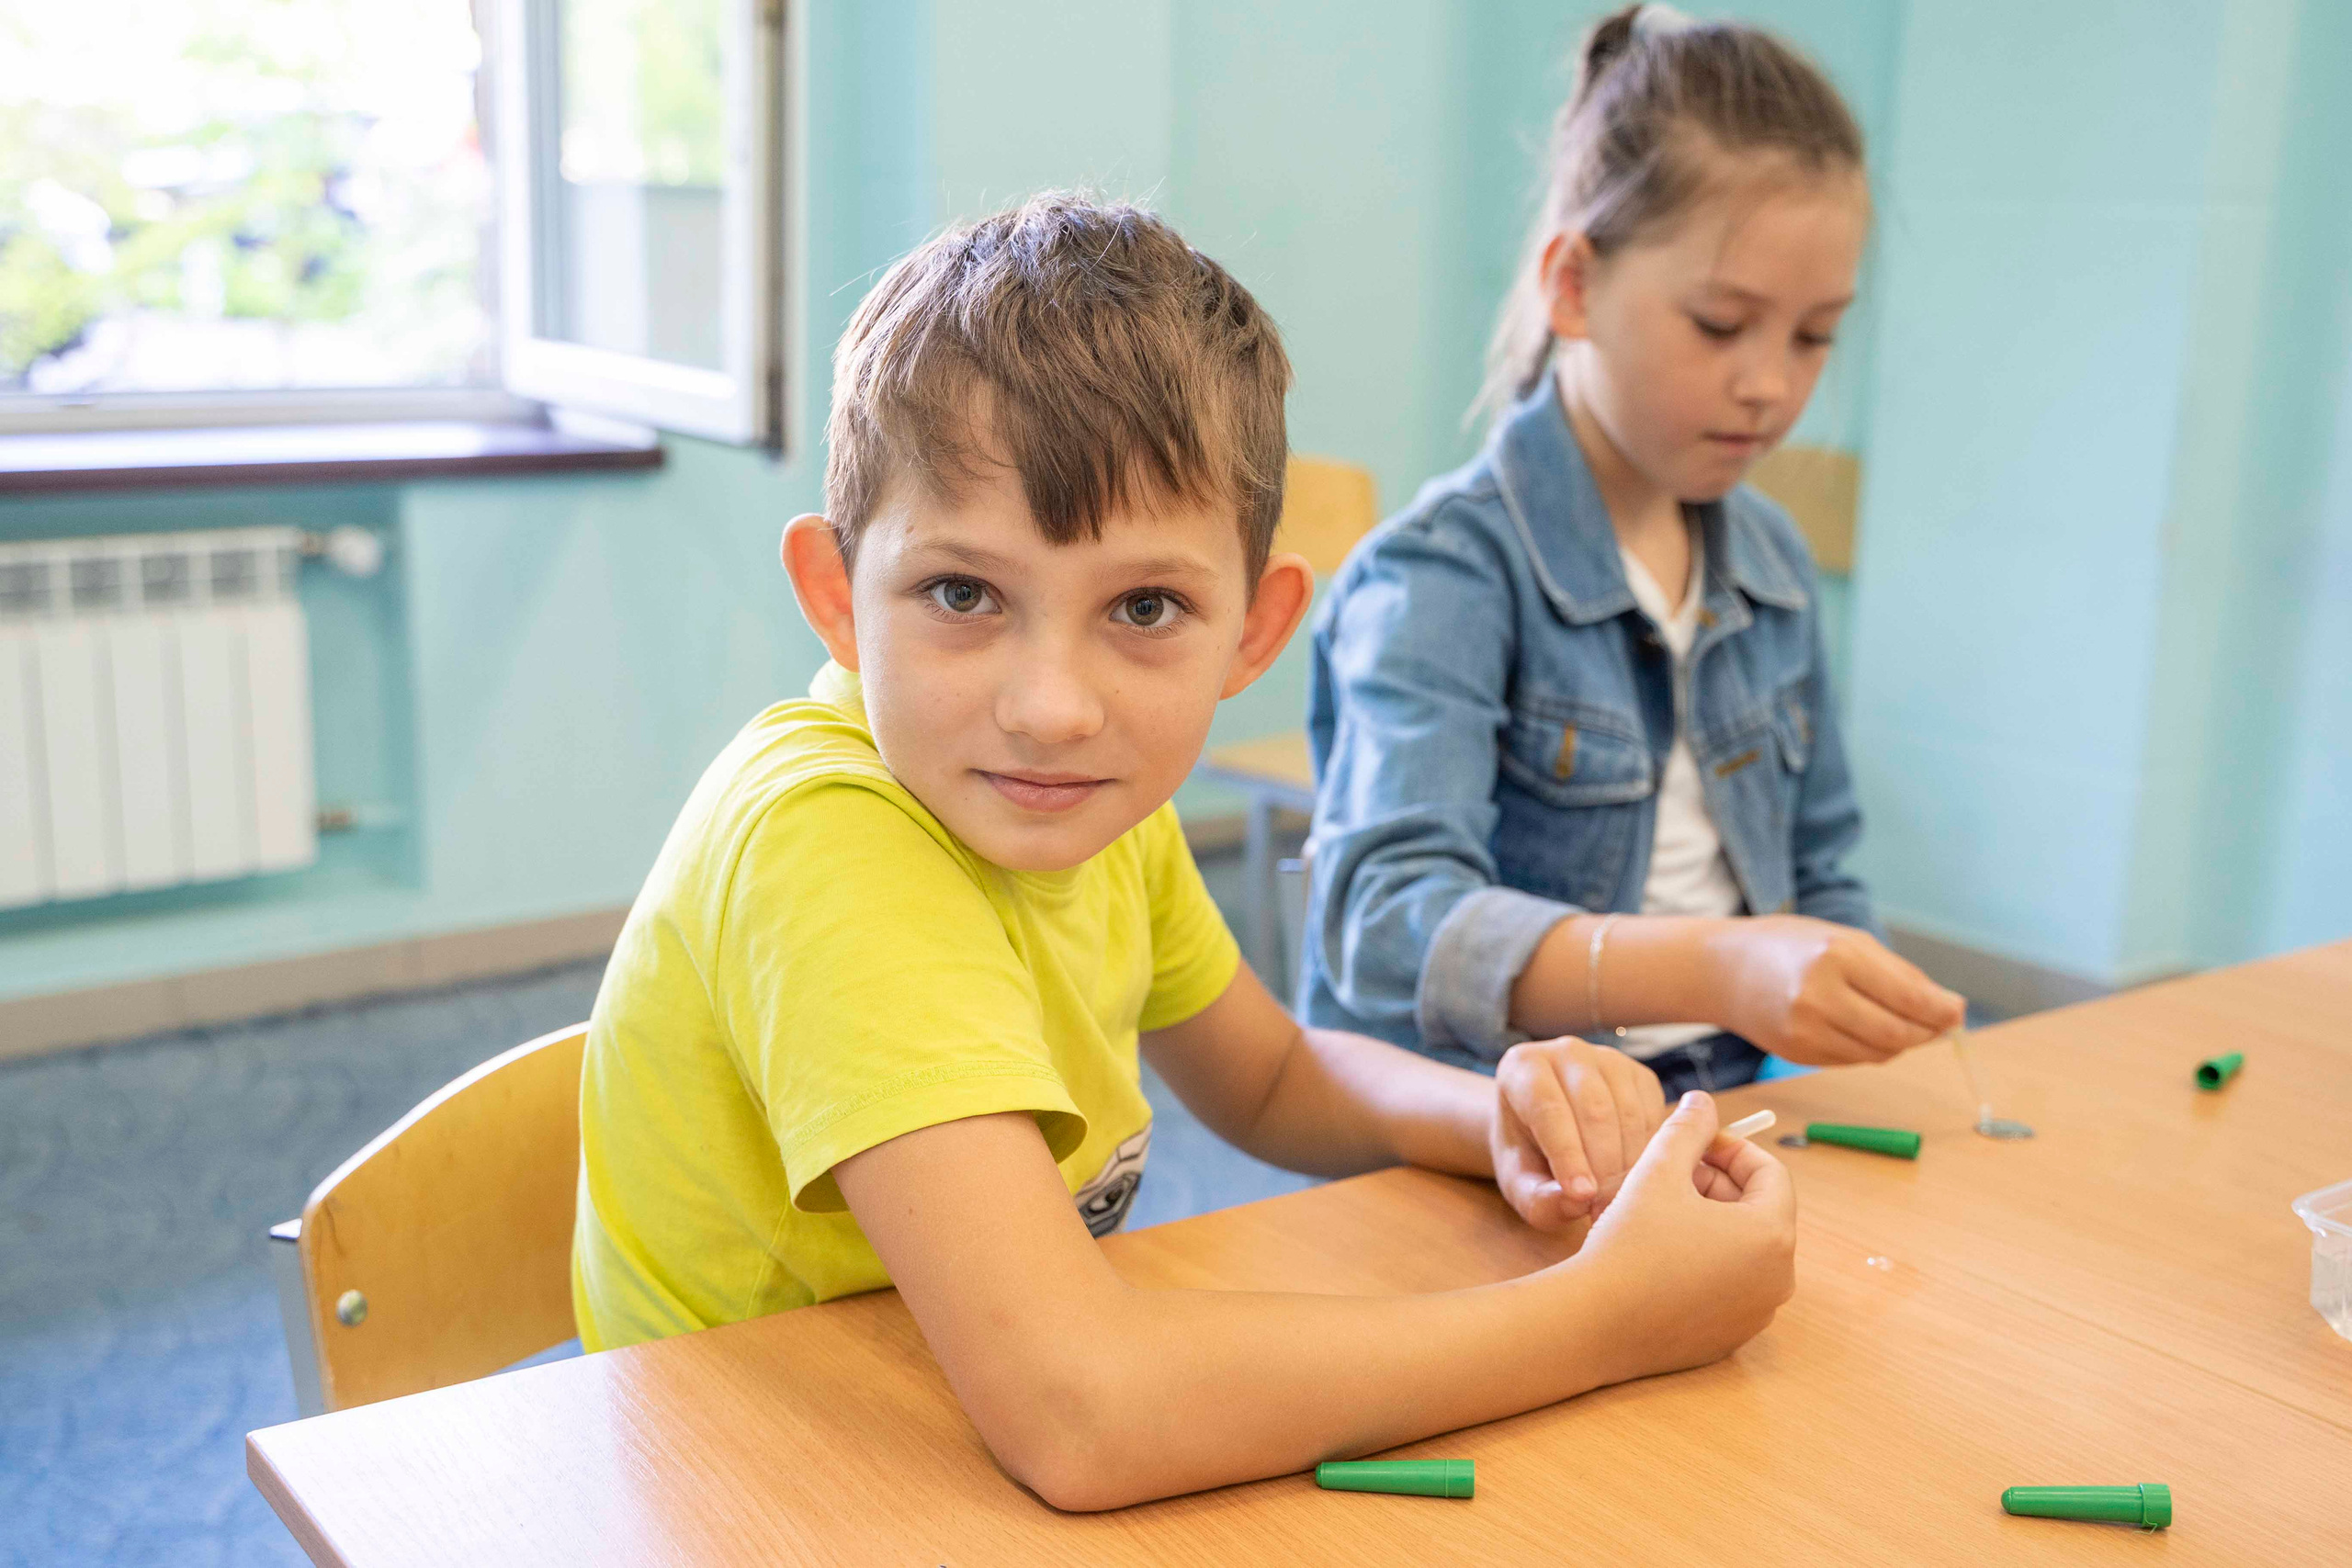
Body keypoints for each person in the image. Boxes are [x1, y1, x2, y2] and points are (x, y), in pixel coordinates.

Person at [571, 193, 1792, 1512]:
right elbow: (1084, 1409)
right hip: (764, 1490)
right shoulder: (827, 845)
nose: (1053, 705)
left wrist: (1492, 1115)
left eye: (1144, 607)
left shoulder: (1090, 803)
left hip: (939, 1426)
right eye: (962, 593)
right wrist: (1606, 1315)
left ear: (1254, 634)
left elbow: (1270, 1075)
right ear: (837, 596)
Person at [1302, 6, 1967, 1100]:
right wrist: (1715, 966)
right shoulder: (1441, 577)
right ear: (1573, 285)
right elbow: (1387, 927)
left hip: (1728, 1095)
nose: (1769, 384)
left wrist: (1856, 1009)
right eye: (1719, 324)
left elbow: (1823, 866)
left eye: (1812, 337)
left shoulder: (1772, 563)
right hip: (1496, 1116)